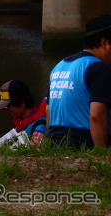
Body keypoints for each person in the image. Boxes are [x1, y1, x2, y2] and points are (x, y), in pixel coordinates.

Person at [47, 15, 111, 149]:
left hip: (56, 142)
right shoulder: (99, 68)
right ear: (105, 43)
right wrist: (102, 154)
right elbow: (96, 115)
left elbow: (48, 110)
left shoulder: (59, 66)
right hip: (84, 143)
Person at [0, 80, 46, 148]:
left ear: (22, 103)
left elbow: (36, 151)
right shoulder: (20, 125)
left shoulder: (40, 125)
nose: (7, 109)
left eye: (9, 105)